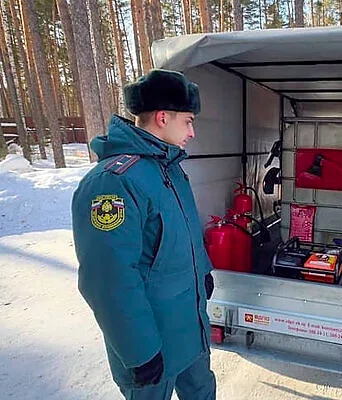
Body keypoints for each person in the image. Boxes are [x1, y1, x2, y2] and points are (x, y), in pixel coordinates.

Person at [71, 69, 216, 400]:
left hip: (189, 329)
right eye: (189, 121)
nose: (193, 132)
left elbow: (186, 232)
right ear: (163, 117)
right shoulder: (114, 182)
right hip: (154, 345)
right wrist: (140, 351)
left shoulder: (169, 168)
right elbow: (108, 279)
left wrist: (203, 270)